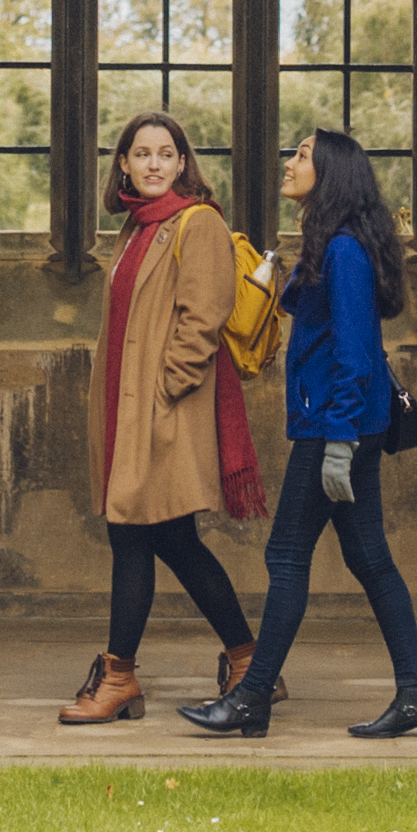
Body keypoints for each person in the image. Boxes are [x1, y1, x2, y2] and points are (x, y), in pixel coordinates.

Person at [182, 128, 417, 740]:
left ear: (332, 172)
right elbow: (308, 312)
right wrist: (278, 265)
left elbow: (355, 354)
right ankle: (416, 696)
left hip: (338, 428)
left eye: (302, 154)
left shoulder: (347, 252)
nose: (290, 161)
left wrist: (341, 444)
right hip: (343, 423)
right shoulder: (336, 248)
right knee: (370, 558)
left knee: (286, 555)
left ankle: (251, 698)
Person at [59, 108, 265, 725]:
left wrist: (165, 389)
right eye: (141, 154)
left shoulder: (194, 223)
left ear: (182, 164)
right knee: (172, 540)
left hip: (163, 412)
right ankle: (249, 661)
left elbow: (204, 315)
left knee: (132, 535)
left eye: (165, 154)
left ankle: (119, 676)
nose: (153, 164)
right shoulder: (136, 229)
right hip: (130, 409)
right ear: (123, 163)